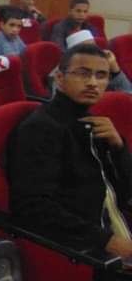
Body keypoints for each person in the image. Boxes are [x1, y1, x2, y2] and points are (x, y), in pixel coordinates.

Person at [10, 43, 132, 260]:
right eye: (83, 74)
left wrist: (118, 146)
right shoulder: (41, 128)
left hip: (115, 223)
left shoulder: (93, 122)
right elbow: (32, 205)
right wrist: (106, 241)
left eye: (101, 75)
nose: (93, 82)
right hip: (86, 248)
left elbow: (122, 188)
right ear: (59, 78)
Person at [64, 30, 132, 94]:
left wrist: (115, 68)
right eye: (86, 48)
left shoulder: (102, 66)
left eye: (93, 46)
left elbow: (128, 92)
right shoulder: (67, 70)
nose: (92, 50)